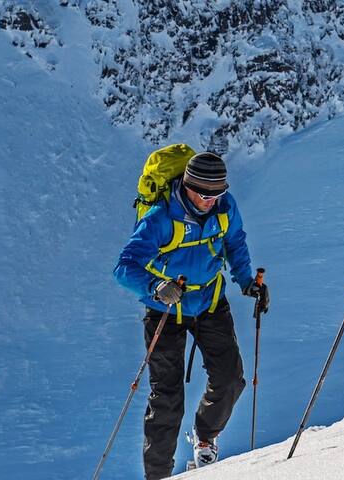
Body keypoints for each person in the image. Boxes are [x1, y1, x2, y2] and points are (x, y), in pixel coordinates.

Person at [113, 152, 261, 479]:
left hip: (209, 302)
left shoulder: (225, 206)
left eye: (218, 193)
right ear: (188, 186)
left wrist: (247, 281)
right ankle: (159, 476)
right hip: (164, 309)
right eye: (205, 194)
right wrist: (156, 285)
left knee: (230, 378)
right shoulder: (160, 217)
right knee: (166, 400)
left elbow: (234, 242)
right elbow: (123, 267)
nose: (211, 200)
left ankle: (206, 437)